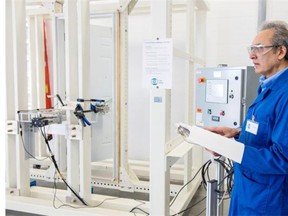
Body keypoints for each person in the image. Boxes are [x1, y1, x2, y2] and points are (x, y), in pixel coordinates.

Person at [207, 20, 288, 215]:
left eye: (259, 49)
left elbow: (283, 158)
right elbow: (267, 131)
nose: (252, 55)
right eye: (251, 49)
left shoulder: (285, 93)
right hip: (249, 190)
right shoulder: (268, 86)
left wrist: (231, 149)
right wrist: (236, 134)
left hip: (267, 200)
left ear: (280, 52)